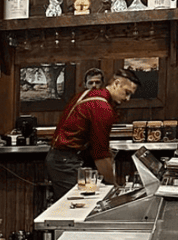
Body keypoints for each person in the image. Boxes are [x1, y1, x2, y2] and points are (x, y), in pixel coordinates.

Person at [45, 67, 140, 201]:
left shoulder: (88, 95)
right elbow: (100, 155)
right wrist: (114, 186)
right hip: (65, 161)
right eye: (127, 92)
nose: (128, 99)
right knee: (76, 206)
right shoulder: (102, 107)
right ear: (116, 84)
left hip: (61, 158)